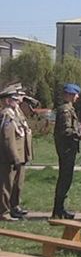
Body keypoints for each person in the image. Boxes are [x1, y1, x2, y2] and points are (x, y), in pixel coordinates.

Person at [0, 85, 33, 221]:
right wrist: (13, 156)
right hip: (9, 157)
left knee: (17, 184)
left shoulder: (17, 113)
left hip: (20, 155)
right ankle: (4, 212)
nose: (18, 101)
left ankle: (15, 207)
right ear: (7, 100)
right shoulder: (6, 114)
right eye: (15, 98)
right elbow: (7, 138)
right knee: (6, 185)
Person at [52, 82, 81, 219]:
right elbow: (66, 130)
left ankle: (60, 209)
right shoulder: (65, 110)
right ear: (70, 95)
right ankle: (58, 210)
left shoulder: (69, 109)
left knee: (66, 179)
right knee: (64, 179)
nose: (77, 97)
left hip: (68, 148)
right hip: (66, 149)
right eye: (75, 95)